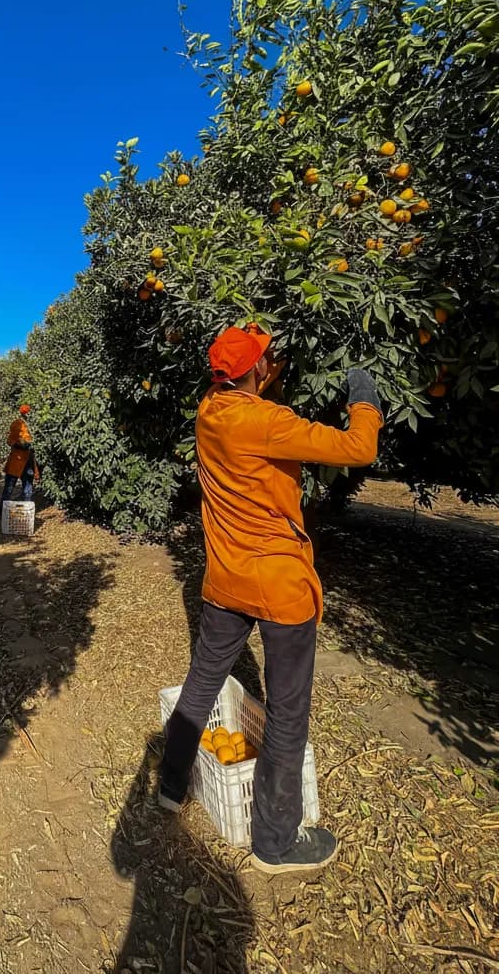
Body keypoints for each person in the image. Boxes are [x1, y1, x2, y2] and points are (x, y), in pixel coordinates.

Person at [158, 324, 383, 874]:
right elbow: (359, 448)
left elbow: (245, 379)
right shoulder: (268, 422)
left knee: (203, 680)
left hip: (227, 578)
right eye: (266, 359)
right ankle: (275, 844)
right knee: (287, 711)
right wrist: (363, 399)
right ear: (257, 370)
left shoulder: (209, 410)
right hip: (279, 583)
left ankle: (170, 786)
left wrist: (263, 359)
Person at [0, 403, 38, 521]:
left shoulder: (34, 426)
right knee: (10, 489)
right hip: (17, 460)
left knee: (27, 490)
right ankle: (1, 513)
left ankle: (26, 516)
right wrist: (20, 444)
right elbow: (10, 441)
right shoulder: (17, 424)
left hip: (26, 461)